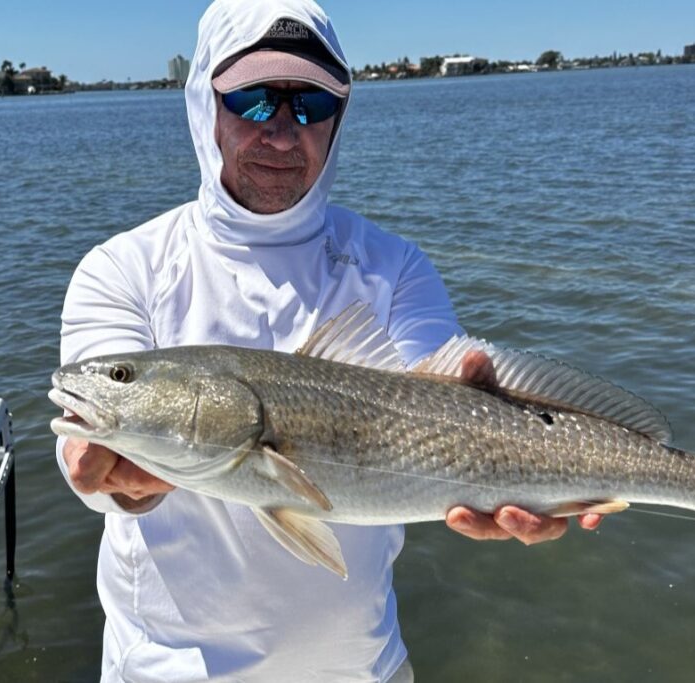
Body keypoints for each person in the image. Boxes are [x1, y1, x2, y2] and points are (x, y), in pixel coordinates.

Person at [57, 1, 603, 680]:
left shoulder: (394, 265)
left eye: (311, 104)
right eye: (253, 100)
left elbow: (443, 395)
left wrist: (523, 465)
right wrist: (110, 478)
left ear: (339, 118)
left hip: (367, 667)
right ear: (204, 102)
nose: (283, 134)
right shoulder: (124, 268)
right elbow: (91, 454)